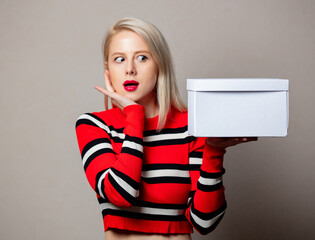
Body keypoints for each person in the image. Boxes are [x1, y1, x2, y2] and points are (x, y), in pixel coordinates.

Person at [75, 17, 257, 240]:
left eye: (142, 58)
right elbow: (121, 194)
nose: (130, 69)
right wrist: (134, 115)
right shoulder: (94, 125)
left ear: (160, 64)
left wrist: (214, 151)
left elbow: (205, 222)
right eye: (119, 59)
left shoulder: (192, 127)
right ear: (108, 69)